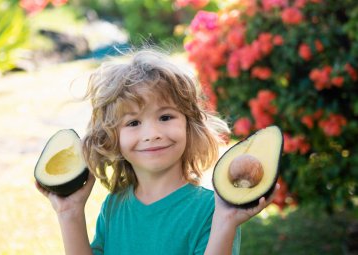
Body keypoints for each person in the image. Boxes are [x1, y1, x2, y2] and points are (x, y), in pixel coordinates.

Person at [36, 48, 277, 255]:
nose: (152, 133)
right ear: (112, 139)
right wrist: (70, 213)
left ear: (189, 126)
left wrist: (225, 222)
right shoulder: (114, 206)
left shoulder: (211, 210)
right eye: (133, 123)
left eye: (165, 117)